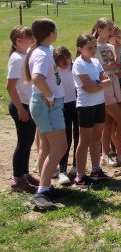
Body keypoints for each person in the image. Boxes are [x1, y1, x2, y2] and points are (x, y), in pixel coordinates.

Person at [25, 18, 67, 211]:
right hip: (47, 104)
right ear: (50, 33)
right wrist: (50, 96)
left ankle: (46, 187)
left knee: (48, 147)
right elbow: (37, 78)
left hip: (46, 105)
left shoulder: (44, 49)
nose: (57, 32)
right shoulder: (41, 53)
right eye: (55, 30)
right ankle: (41, 192)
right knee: (60, 146)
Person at [92, 18, 121, 166]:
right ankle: (120, 154)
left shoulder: (110, 47)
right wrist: (110, 67)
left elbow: (117, 65)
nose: (112, 32)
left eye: (112, 29)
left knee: (109, 122)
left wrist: (117, 51)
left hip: (114, 84)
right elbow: (96, 67)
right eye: (109, 29)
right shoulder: (93, 46)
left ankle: (106, 155)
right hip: (104, 86)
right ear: (99, 30)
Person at [72, 34, 112, 187]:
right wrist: (100, 83)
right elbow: (89, 88)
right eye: (89, 47)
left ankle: (96, 170)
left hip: (99, 103)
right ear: (80, 48)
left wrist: (98, 84)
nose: (93, 50)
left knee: (97, 138)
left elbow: (108, 81)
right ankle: (80, 176)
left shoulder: (95, 62)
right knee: (84, 141)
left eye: (94, 46)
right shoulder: (78, 63)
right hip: (85, 106)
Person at [6, 26, 39, 193]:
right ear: (18, 41)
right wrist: (20, 108)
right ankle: (18, 179)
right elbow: (10, 87)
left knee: (28, 141)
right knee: (23, 142)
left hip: (28, 104)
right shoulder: (17, 58)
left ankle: (24, 174)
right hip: (21, 105)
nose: (33, 38)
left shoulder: (25, 55)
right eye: (29, 36)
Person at [53, 46, 78, 185]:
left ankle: (76, 165)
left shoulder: (75, 66)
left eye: (66, 61)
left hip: (77, 103)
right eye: (61, 62)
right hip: (62, 106)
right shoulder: (54, 70)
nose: (65, 64)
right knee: (66, 138)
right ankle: (62, 170)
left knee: (79, 135)